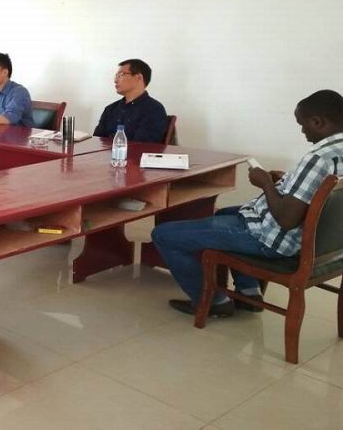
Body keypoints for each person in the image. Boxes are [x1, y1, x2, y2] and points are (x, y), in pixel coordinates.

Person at [151, 89, 343, 317]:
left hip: (274, 239)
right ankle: (249, 293)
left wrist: (266, 184)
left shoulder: (318, 158)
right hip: (325, 241)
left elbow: (287, 220)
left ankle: (213, 302)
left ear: (318, 122)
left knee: (163, 235)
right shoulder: (336, 152)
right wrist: (287, 181)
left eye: (302, 125)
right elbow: (318, 194)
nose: (302, 131)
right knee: (223, 214)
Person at [93, 59, 168, 142]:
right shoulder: (110, 109)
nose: (115, 80)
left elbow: (142, 145)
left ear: (138, 77)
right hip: (105, 151)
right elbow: (96, 141)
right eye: (116, 76)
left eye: (121, 75)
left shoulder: (154, 109)